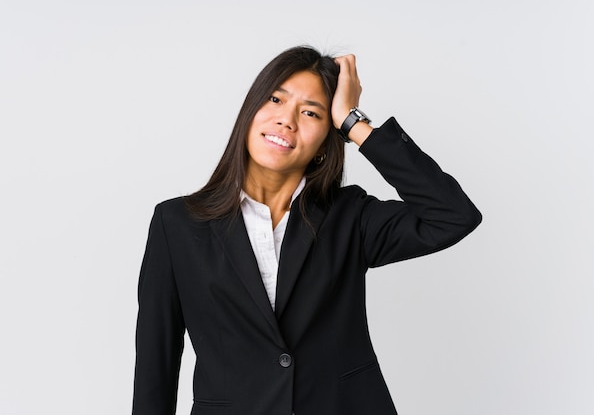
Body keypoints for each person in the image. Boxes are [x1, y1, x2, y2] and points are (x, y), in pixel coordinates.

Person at [132, 46, 482, 415]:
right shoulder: (177, 224)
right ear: (249, 113)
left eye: (311, 112)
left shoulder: (349, 217)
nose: (287, 120)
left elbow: (454, 215)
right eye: (275, 99)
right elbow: (157, 361)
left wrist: (353, 122)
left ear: (324, 143)